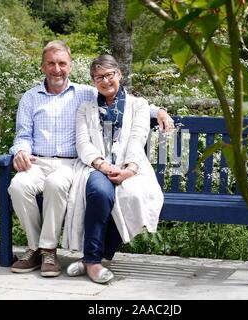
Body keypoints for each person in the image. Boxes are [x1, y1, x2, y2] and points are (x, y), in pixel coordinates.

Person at [7, 40, 172, 277]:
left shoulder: (85, 93)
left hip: (68, 163)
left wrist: (160, 112)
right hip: (37, 161)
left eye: (62, 63)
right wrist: (20, 151)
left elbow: (122, 98)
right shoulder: (30, 97)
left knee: (56, 185)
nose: (57, 69)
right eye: (51, 64)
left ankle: (51, 252)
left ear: (70, 66)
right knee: (17, 186)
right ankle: (37, 249)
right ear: (42, 66)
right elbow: (22, 135)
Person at [63, 54, 164, 284]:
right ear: (93, 81)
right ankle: (94, 262)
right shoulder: (85, 108)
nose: (105, 81)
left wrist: (129, 169)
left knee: (131, 195)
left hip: (131, 167)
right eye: (99, 77)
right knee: (100, 192)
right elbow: (82, 143)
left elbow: (138, 138)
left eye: (109, 75)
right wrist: (101, 164)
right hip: (96, 166)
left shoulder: (138, 105)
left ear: (119, 74)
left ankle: (91, 259)